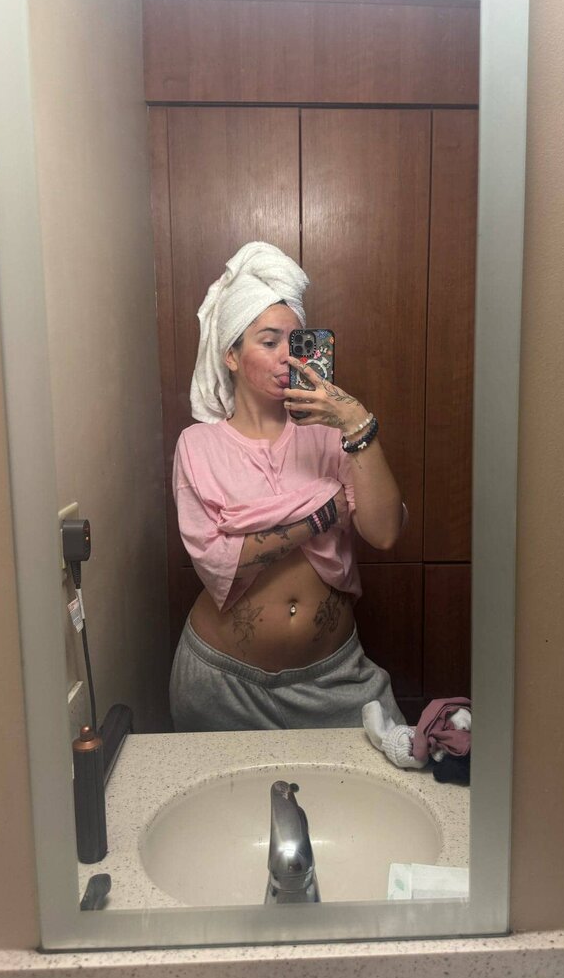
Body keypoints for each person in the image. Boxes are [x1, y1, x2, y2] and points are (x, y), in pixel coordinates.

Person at [169, 241, 407, 731]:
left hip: (333, 678)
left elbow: (384, 532)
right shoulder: (198, 446)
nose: (287, 358)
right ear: (231, 355)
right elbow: (218, 561)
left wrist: (356, 422)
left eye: (296, 343)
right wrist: (324, 513)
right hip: (222, 682)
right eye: (269, 341)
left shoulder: (334, 435)